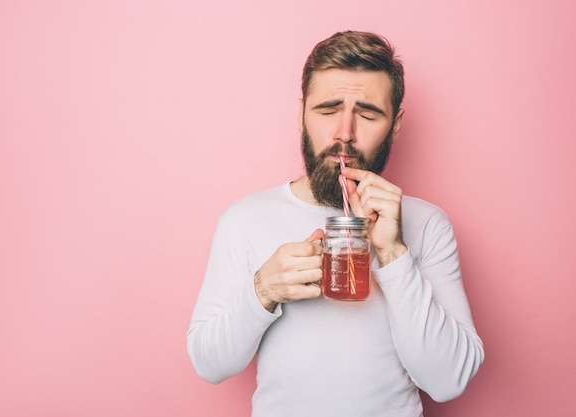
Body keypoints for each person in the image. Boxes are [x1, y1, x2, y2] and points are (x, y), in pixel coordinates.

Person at [187, 30, 484, 417]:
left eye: (367, 114)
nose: (344, 134)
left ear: (394, 125)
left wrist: (393, 253)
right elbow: (210, 365)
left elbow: (449, 382)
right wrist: (264, 288)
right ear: (301, 115)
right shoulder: (244, 220)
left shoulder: (427, 224)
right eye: (327, 110)